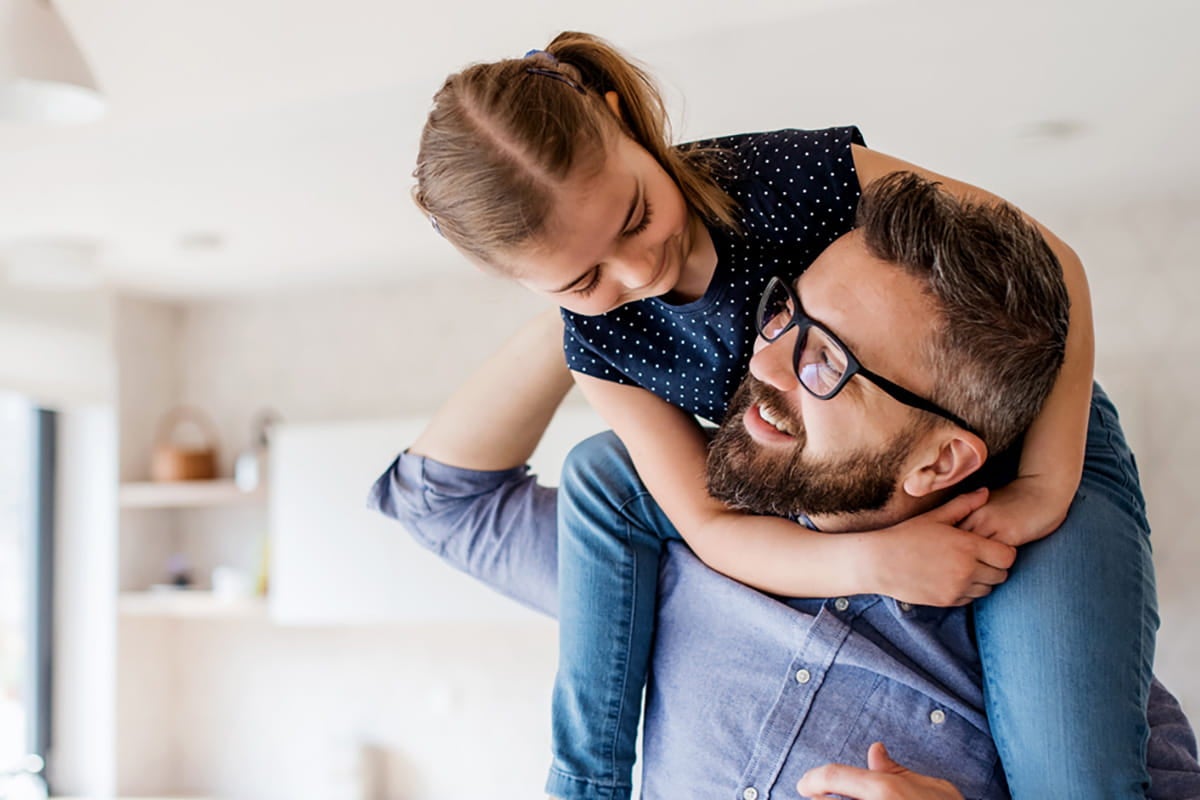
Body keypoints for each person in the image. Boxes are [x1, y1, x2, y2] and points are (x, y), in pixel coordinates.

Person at [413, 31, 1156, 799]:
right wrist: (873, 562)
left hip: (1040, 424)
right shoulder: (599, 343)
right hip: (850, 483)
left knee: (1076, 778)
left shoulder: (780, 175)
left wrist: (1044, 484)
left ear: (623, 121)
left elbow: (1050, 262)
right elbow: (709, 525)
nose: (638, 272)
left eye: (634, 217)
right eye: (581, 278)